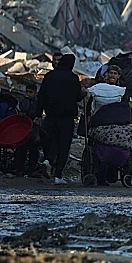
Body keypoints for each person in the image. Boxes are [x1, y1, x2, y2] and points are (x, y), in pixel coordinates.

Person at [37, 54, 83, 185]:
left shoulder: (49, 76)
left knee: (55, 140)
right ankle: (58, 176)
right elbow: (77, 97)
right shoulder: (73, 78)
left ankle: (48, 160)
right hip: (67, 117)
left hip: (51, 115)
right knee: (64, 145)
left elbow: (41, 97)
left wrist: (38, 114)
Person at [15, 83, 42, 177]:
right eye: (27, 92)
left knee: (33, 149)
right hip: (24, 128)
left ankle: (31, 169)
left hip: (34, 127)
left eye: (30, 92)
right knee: (21, 148)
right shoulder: (24, 101)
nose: (28, 94)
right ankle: (20, 169)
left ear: (35, 92)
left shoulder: (38, 102)